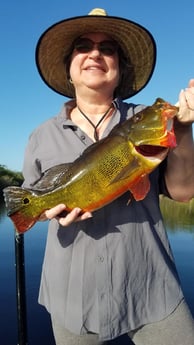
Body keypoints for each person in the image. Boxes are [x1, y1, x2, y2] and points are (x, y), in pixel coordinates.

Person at [22, 8, 194, 345]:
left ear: (119, 70)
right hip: (71, 296)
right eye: (83, 46)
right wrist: (45, 210)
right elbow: (33, 202)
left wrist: (184, 127)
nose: (95, 54)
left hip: (151, 288)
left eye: (108, 49)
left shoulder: (144, 121)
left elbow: (184, 192)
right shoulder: (40, 136)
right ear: (69, 68)